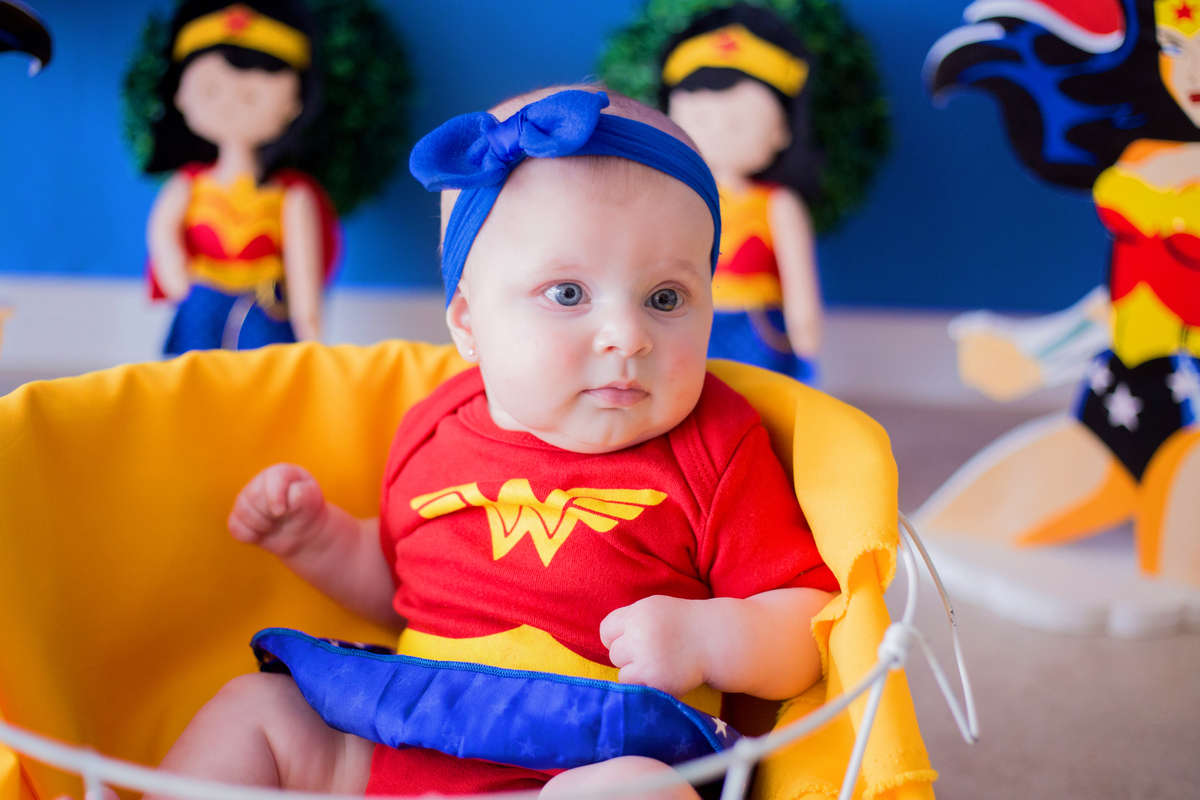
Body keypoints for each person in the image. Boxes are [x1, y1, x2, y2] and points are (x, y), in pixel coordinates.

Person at [146, 87, 837, 798]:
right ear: (469, 325)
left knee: (639, 791)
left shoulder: (716, 446)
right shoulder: (435, 427)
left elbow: (810, 623)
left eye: (666, 298)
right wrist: (317, 540)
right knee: (256, 710)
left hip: (583, 760)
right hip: (398, 739)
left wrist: (709, 638)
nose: (628, 337)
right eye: (567, 294)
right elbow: (398, 584)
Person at [919, 0, 1200, 585]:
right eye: (1174, 47)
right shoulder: (1139, 174)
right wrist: (1032, 355)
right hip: (1123, 400)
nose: (1193, 73)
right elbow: (1127, 301)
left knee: (1175, 576)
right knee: (939, 535)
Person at [143, 0, 337, 355]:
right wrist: (173, 269)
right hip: (201, 298)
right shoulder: (189, 185)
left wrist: (309, 324)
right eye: (212, 91)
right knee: (196, 374)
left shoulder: (292, 197)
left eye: (252, 96)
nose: (231, 106)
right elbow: (162, 231)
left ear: (294, 104)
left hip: (265, 306)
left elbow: (302, 267)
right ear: (181, 95)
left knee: (265, 377)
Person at [659, 3, 823, 384]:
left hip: (757, 330)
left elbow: (800, 279)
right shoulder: (676, 196)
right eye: (699, 120)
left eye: (739, 123)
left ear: (782, 131)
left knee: (760, 403)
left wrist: (806, 333)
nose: (716, 132)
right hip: (684, 323)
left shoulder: (776, 203)